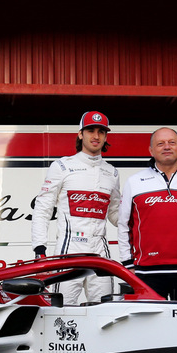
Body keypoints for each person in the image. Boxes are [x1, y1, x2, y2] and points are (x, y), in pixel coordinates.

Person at [30, 111, 122, 304]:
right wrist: (39, 248)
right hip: (69, 248)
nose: (96, 136)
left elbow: (115, 214)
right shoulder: (62, 166)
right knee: (62, 308)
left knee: (104, 309)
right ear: (80, 134)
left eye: (101, 132)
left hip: (100, 249)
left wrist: (141, 222)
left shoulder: (112, 172)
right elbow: (42, 209)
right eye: (90, 130)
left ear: (106, 136)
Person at [116, 127, 177, 301]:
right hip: (147, 273)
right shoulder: (135, 182)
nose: (167, 147)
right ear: (151, 150)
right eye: (160, 143)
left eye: (172, 142)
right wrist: (128, 264)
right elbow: (124, 225)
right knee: (150, 327)